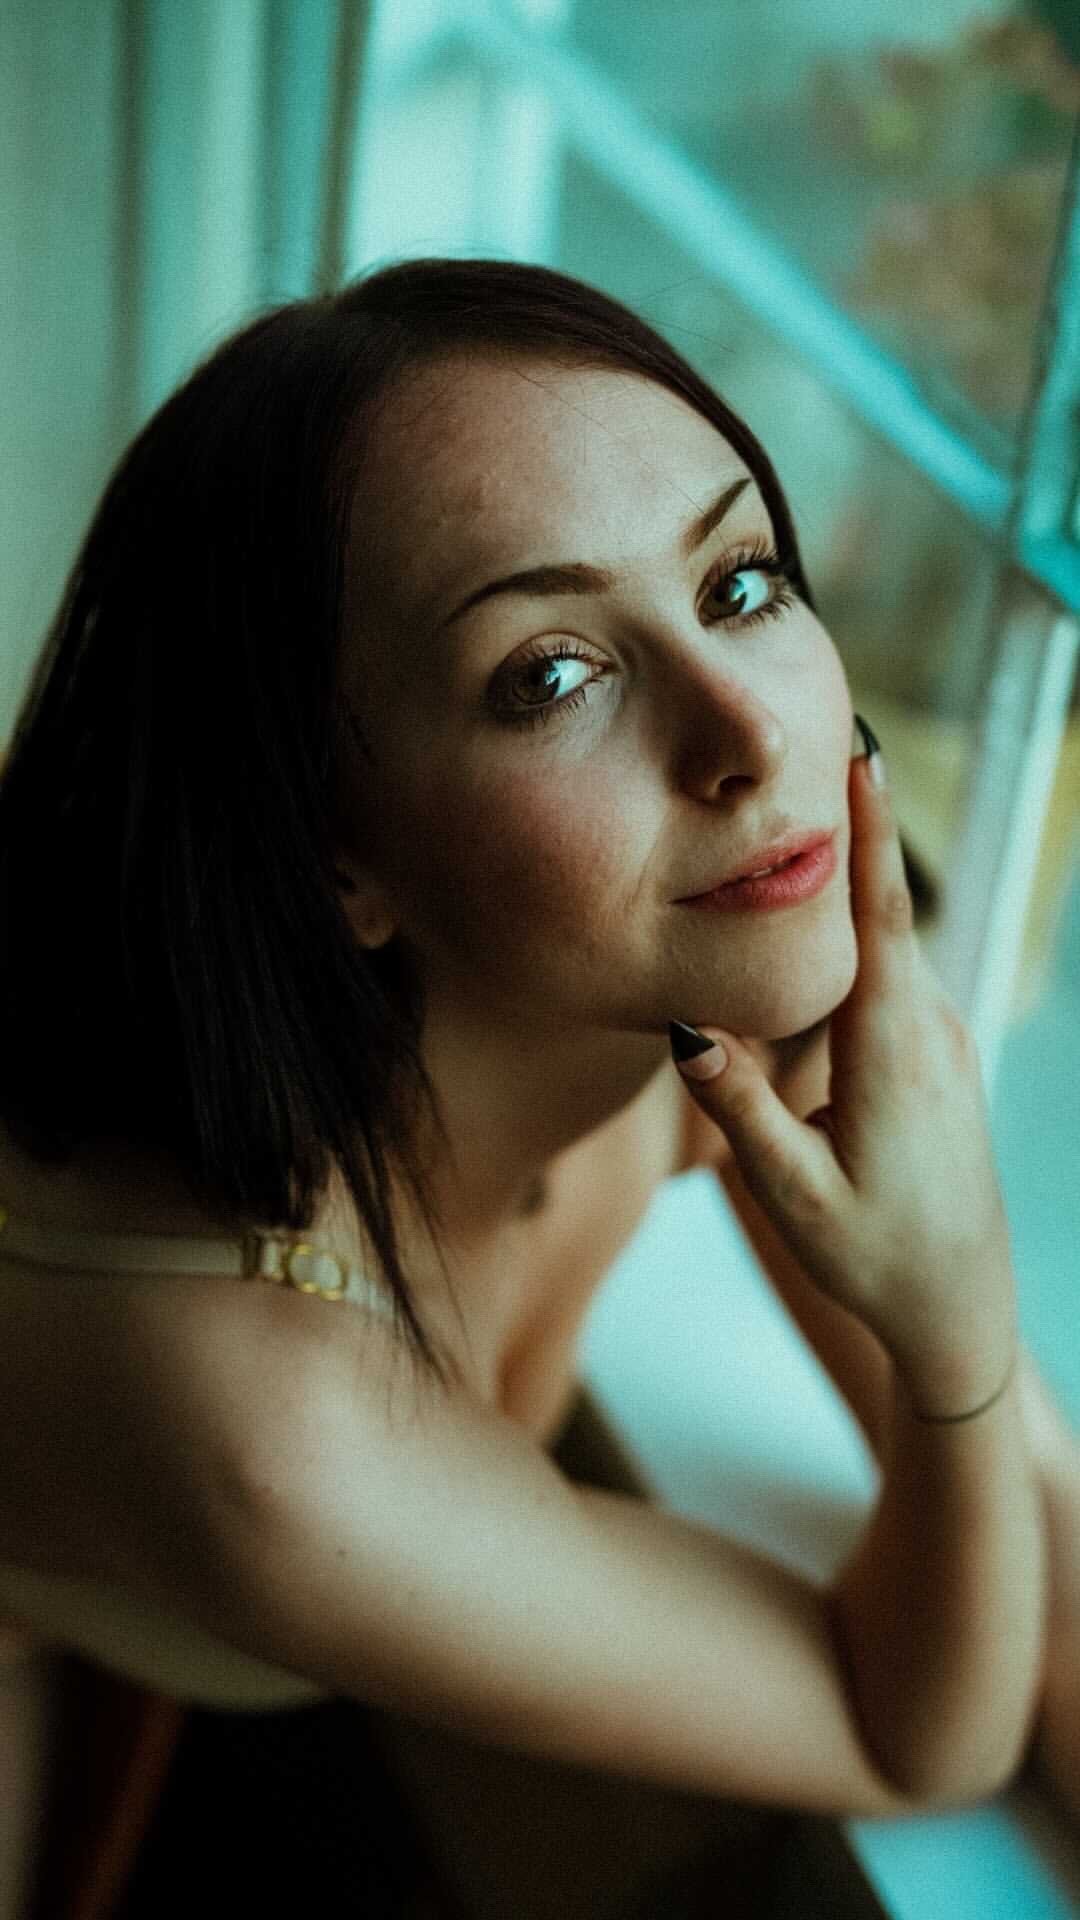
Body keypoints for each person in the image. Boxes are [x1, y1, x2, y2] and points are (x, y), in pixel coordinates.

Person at [0, 258, 1076, 1914]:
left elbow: (1036, 1562)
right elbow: (911, 1734)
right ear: (335, 852)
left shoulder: (682, 1018)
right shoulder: (282, 1426)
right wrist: (952, 1322)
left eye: (740, 582)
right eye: (551, 678)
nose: (747, 734)